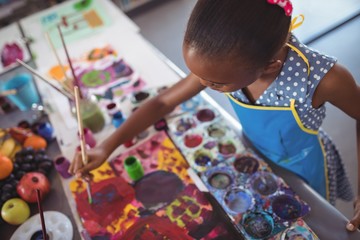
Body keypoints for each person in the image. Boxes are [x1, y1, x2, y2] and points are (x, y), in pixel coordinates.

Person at [69, 0, 360, 231]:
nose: (203, 84)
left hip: (303, 169)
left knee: (307, 220)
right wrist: (108, 145)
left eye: (216, 84)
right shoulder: (219, 66)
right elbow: (162, 103)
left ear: (270, 66)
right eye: (199, 76)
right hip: (255, 152)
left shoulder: (322, 79)